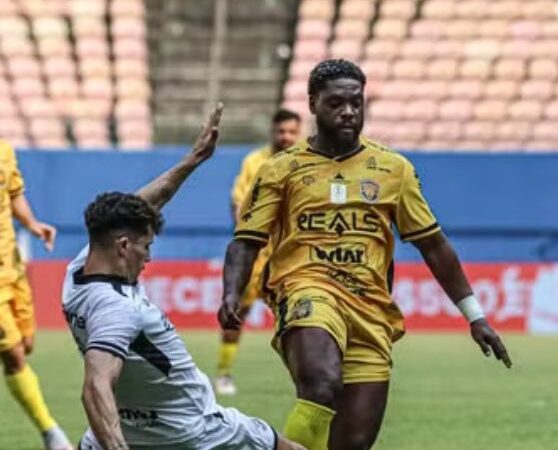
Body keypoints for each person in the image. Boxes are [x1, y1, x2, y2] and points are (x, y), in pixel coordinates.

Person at [218, 59, 512, 450]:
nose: (349, 111)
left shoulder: (394, 170)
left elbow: (434, 245)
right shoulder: (280, 169)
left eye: (356, 103)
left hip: (371, 308)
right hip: (306, 289)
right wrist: (231, 292)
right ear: (312, 104)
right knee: (320, 385)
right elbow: (246, 240)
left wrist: (475, 316)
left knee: (351, 443)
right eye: (336, 103)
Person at [61, 104, 304, 450]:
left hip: (129, 425)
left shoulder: (79, 269)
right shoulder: (116, 310)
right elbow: (95, 387)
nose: (149, 256)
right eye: (146, 246)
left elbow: (141, 206)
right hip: (190, 426)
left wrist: (194, 159)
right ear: (124, 246)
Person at [215, 108, 302, 395]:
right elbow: (238, 204)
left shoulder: (307, 162)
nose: (286, 137)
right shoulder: (254, 162)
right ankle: (224, 373)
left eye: (291, 132)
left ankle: (303, 375)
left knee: (299, 317)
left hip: (290, 255)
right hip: (256, 253)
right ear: (272, 132)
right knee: (237, 311)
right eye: (281, 131)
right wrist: (250, 238)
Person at [0, 139, 73, 450]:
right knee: (14, 353)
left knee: (26, 345)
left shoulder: (4, 150)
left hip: (11, 268)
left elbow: (14, 194)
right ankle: (51, 433)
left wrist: (31, 224)